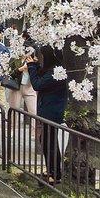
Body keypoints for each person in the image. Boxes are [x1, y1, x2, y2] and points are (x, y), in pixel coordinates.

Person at [27, 46, 67, 185]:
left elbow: (38, 84)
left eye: (43, 56)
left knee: (49, 141)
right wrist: (35, 64)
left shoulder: (57, 73)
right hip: (49, 109)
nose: (41, 58)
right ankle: (52, 170)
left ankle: (55, 173)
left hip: (52, 111)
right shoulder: (53, 69)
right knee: (46, 140)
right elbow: (42, 76)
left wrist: (32, 67)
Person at [8, 43, 37, 114]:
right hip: (16, 87)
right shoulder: (14, 59)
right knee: (14, 112)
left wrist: (33, 65)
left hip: (29, 87)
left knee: (34, 111)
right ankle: (13, 125)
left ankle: (33, 125)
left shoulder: (34, 60)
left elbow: (38, 73)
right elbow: (9, 74)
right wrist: (21, 69)